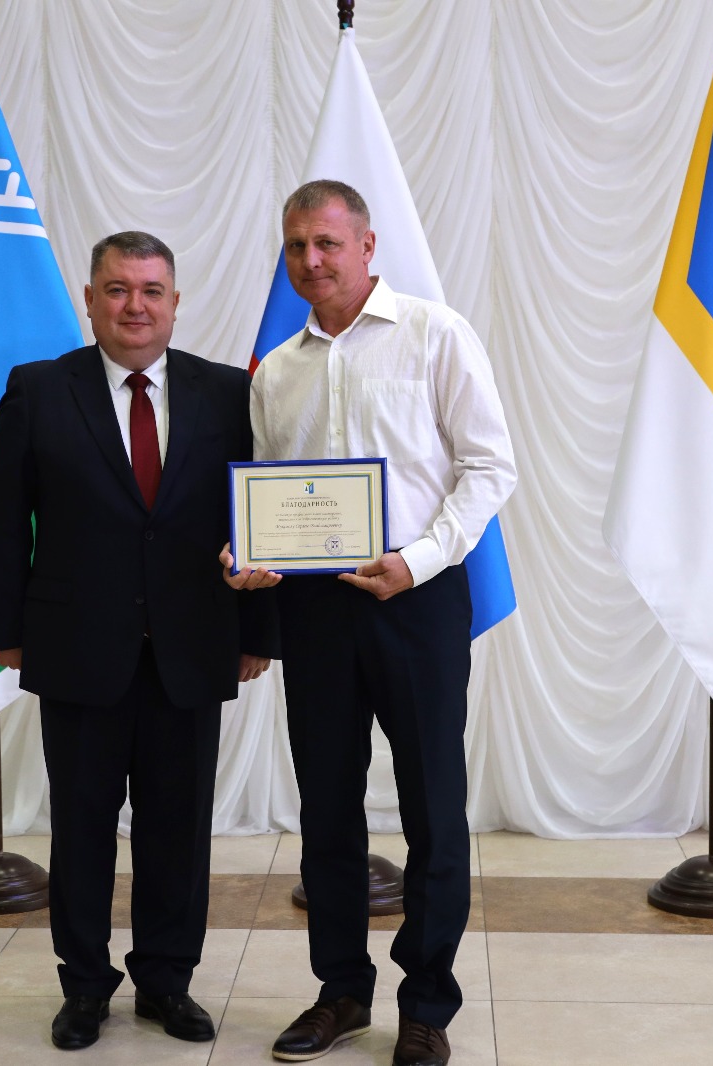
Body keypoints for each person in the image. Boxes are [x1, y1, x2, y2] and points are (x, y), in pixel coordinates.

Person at [225, 180, 515, 1066]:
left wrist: (417, 561)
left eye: (327, 243)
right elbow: (265, 495)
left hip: (416, 601)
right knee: (326, 810)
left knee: (433, 809)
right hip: (314, 611)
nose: (311, 260)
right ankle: (342, 992)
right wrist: (247, 556)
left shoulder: (436, 334)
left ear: (367, 246)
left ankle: (426, 1004)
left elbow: (490, 467)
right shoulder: (276, 371)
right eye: (296, 246)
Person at [0, 231, 277, 1051]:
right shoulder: (40, 389)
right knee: (81, 829)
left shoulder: (228, 393)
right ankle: (84, 988)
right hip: (76, 648)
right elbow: (0, 517)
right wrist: (6, 631)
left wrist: (258, 631)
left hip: (194, 646)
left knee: (178, 830)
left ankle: (166, 982)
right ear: (89, 299)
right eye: (117, 290)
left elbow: (253, 516)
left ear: (176, 303)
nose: (134, 306)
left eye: (151, 291)